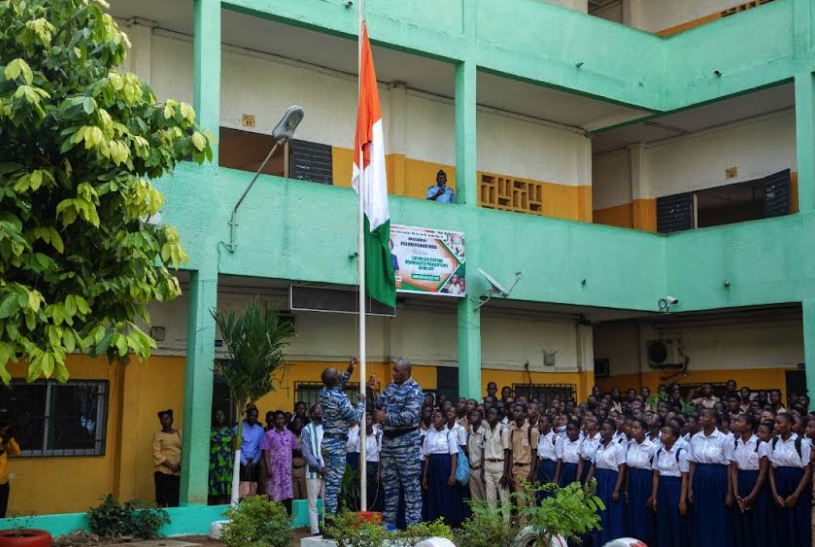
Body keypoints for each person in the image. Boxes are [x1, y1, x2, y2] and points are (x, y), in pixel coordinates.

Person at [368, 358, 424, 529]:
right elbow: (380, 405)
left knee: (410, 485)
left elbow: (411, 416)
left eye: (396, 370)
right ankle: (389, 525)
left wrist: (388, 418)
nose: (393, 373)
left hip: (406, 443)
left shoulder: (414, 390)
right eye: (393, 370)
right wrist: (373, 392)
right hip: (389, 442)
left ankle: (414, 526)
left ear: (407, 372)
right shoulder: (391, 387)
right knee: (389, 485)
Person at [320, 357, 365, 517]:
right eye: (339, 374)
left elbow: (338, 384)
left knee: (331, 482)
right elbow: (354, 418)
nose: (341, 375)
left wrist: (349, 370)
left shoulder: (324, 392)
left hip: (327, 441)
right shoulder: (339, 398)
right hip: (336, 445)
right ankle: (330, 520)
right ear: (336, 379)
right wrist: (361, 403)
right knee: (333, 485)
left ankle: (331, 516)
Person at [688, 408, 733, 547]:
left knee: (717, 514)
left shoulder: (724, 439)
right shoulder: (695, 438)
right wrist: (690, 487)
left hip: (718, 478)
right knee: (700, 513)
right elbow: (692, 463)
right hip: (700, 477)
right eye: (700, 415)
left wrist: (730, 492)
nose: (700, 418)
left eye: (704, 415)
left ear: (713, 420)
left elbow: (729, 466)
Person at [768, 413, 811, 547]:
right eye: (775, 423)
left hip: (797, 484)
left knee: (798, 520)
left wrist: (795, 495)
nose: (775, 426)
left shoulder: (801, 443)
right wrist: (775, 493)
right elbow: (770, 469)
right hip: (779, 482)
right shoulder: (773, 441)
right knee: (780, 521)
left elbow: (808, 471)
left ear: (789, 425)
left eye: (779, 423)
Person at [730, 413, 770, 547]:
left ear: (748, 426)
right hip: (740, 480)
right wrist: (736, 492)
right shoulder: (735, 443)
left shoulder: (760, 444)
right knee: (741, 521)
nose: (735, 423)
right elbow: (734, 469)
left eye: (739, 421)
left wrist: (752, 495)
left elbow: (763, 471)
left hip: (756, 483)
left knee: (757, 520)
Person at [648, 423, 689, 547]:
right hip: (662, 486)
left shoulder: (680, 452)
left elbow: (685, 477)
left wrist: (682, 499)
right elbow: (656, 475)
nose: (662, 435)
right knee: (662, 519)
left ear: (674, 437)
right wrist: (654, 496)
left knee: (675, 520)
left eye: (666, 433)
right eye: (662, 432)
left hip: (675, 486)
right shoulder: (658, 452)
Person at [586, 419, 626, 546]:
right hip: (599, 479)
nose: (603, 432)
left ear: (613, 431)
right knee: (598, 511)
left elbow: (622, 469)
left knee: (610, 512)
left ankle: (612, 542)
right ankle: (598, 541)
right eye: (601, 429)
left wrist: (616, 489)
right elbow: (593, 465)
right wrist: (586, 483)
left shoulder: (618, 447)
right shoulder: (598, 446)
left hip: (611, 479)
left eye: (606, 429)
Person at [422, 410, 461, 526]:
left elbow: (454, 454)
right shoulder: (429, 433)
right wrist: (425, 475)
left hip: (445, 465)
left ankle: (447, 522)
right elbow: (427, 456)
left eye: (438, 417)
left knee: (445, 494)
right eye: (434, 417)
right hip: (433, 466)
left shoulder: (449, 434)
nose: (435, 419)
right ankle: (434, 522)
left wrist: (452, 474)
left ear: (444, 419)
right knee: (433, 494)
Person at [625, 417, 657, 545]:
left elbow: (655, 472)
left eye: (636, 428)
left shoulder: (652, 447)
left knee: (644, 513)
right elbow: (627, 468)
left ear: (645, 430)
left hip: (645, 480)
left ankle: (645, 541)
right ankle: (633, 540)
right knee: (633, 511)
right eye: (632, 427)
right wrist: (626, 488)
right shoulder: (630, 444)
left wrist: (653, 494)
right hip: (633, 478)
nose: (633, 430)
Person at [261, 410, 298, 513]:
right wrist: (268, 467)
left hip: (287, 470)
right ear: (274, 420)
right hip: (274, 469)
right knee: (274, 491)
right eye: (278, 418)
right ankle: (273, 515)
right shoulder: (269, 434)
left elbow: (294, 449)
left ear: (285, 420)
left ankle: (287, 516)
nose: (280, 420)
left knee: (287, 492)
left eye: (282, 418)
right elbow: (266, 451)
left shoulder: (290, 434)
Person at [506, 403, 538, 523]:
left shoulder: (532, 431)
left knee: (531, 502)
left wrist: (532, 472)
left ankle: (535, 531)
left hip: (527, 468)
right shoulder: (512, 431)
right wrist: (509, 472)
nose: (515, 412)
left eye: (518, 411)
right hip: (516, 470)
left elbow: (534, 453)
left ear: (525, 414)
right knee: (520, 504)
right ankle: (522, 531)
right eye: (514, 410)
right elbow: (510, 452)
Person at [301, 404, 325, 536]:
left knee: (328, 502)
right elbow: (306, 452)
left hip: (328, 471)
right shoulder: (307, 429)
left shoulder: (329, 428)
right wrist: (319, 467)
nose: (320, 411)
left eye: (322, 409)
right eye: (317, 409)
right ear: (311, 414)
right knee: (313, 503)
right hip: (313, 472)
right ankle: (315, 530)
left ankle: (327, 528)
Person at [481, 407, 510, 516]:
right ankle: (493, 528)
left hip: (500, 466)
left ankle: (506, 529)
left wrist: (505, 473)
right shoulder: (485, 431)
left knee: (504, 499)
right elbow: (484, 451)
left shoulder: (503, 430)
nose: (490, 415)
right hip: (488, 466)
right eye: (488, 413)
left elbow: (507, 452)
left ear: (498, 416)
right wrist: (482, 470)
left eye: (493, 413)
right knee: (490, 500)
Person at [152, 409, 182, 508]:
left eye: (167, 418)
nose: (165, 420)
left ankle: (174, 522)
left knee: (175, 500)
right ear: (160, 421)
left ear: (172, 419)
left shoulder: (179, 433)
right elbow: (156, 453)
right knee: (162, 500)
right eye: (163, 419)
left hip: (177, 472)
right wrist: (171, 466)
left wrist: (179, 464)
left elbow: (186, 448)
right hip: (162, 472)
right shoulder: (158, 435)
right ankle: (161, 520)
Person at [358, 412, 384, 512]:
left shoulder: (378, 435)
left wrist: (379, 471)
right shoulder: (360, 435)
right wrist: (360, 471)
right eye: (365, 419)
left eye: (369, 419)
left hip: (375, 465)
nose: (367, 421)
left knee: (375, 492)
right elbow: (359, 454)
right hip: (364, 464)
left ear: (373, 421)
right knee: (364, 492)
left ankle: (377, 514)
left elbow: (380, 454)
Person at [208, 409, 235, 505]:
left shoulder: (230, 431)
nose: (219, 417)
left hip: (226, 464)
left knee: (223, 490)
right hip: (213, 463)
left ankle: (221, 511)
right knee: (212, 490)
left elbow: (234, 447)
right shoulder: (209, 430)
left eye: (222, 415)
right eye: (217, 415)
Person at [238, 404, 264, 498]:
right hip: (241, 463)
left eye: (256, 416)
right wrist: (245, 463)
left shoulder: (260, 430)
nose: (254, 417)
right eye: (252, 415)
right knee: (241, 490)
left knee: (253, 488)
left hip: (254, 464)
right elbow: (236, 448)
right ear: (247, 415)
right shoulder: (239, 428)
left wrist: (253, 462)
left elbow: (261, 448)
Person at [0, 420, 20, 518]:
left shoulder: (5, 441)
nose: (5, 432)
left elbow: (17, 452)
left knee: (2, 511)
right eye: (4, 430)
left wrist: (10, 439)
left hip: (3, 482)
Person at [467, 409, 486, 502]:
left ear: (481, 418)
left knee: (485, 497)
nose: (472, 417)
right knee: (475, 499)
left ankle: (487, 517)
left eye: (476, 415)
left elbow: (485, 453)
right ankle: (478, 517)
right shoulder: (469, 433)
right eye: (471, 415)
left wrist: (483, 471)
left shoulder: (484, 433)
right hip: (471, 469)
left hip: (480, 470)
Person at [290, 415, 307, 500]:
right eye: (295, 422)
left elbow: (306, 452)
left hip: (302, 468)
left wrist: (297, 451)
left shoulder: (306, 436)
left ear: (302, 424)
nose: (297, 424)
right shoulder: (289, 436)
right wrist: (296, 451)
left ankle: (304, 513)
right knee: (295, 495)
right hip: (292, 468)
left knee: (304, 494)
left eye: (299, 422)